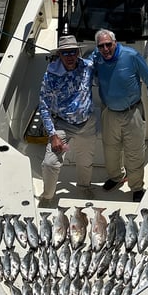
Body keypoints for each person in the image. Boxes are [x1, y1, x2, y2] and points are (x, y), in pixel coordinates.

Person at [92, 29, 148, 202]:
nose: (105, 49)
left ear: (115, 42)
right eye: (101, 46)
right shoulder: (96, 57)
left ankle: (137, 186)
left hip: (132, 112)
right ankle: (116, 177)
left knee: (135, 152)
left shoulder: (131, 56)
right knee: (110, 149)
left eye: (108, 44)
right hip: (109, 112)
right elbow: (83, 67)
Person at [38, 35, 96, 207]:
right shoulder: (50, 75)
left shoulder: (88, 66)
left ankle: (84, 186)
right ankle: (48, 196)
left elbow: (103, 57)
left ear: (78, 52)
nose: (70, 56)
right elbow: (43, 106)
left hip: (87, 123)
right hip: (62, 125)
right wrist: (52, 134)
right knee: (50, 163)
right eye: (65, 53)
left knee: (86, 161)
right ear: (60, 55)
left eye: (73, 52)